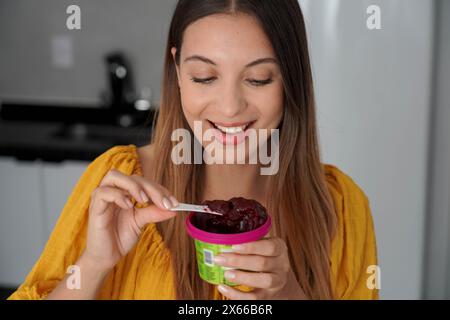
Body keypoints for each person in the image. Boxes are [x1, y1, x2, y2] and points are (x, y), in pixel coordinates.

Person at [9, 0, 378, 300]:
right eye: (204, 77)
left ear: (290, 81)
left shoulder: (340, 205)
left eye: (258, 78)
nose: (230, 107)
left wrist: (288, 296)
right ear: (177, 71)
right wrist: (93, 263)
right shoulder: (119, 181)